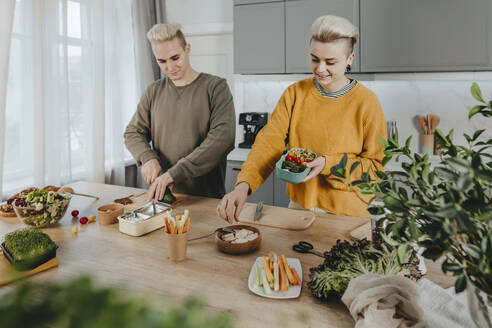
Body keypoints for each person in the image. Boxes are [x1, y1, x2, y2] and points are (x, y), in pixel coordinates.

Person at [217, 15, 386, 223]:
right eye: (315, 59)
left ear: (350, 58)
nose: (320, 69)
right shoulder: (295, 94)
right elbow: (268, 144)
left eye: (330, 62)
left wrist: (327, 163)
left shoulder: (366, 102)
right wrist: (243, 186)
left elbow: (376, 167)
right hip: (298, 210)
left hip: (348, 215)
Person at [124, 23, 235, 201]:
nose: (169, 67)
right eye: (162, 61)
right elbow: (133, 132)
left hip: (207, 198)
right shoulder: (153, 91)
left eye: (175, 58)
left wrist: (175, 173)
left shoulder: (215, 87)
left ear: (187, 49)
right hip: (163, 198)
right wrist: (147, 157)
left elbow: (223, 138)